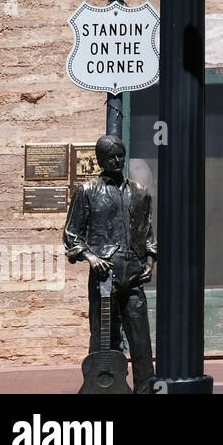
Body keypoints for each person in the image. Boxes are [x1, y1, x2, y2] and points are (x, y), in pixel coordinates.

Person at [63, 134, 157, 393]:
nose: (117, 160)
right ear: (100, 160)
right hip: (104, 277)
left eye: (120, 155)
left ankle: (145, 390)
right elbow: (72, 234)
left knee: (141, 341)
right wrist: (91, 257)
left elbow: (147, 232)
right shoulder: (87, 191)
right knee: (104, 338)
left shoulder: (140, 193)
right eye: (110, 157)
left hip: (133, 274)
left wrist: (150, 260)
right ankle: (102, 388)